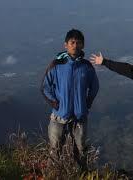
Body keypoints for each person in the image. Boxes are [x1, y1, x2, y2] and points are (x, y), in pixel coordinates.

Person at [41, 28, 99, 167]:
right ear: (65, 45)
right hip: (59, 116)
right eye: (72, 42)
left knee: (80, 150)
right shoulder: (56, 65)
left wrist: (87, 103)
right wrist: (55, 103)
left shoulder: (86, 66)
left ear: (83, 45)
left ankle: (81, 175)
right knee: (55, 151)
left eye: (78, 42)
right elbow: (45, 87)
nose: (75, 45)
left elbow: (94, 86)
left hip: (79, 116)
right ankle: (52, 175)